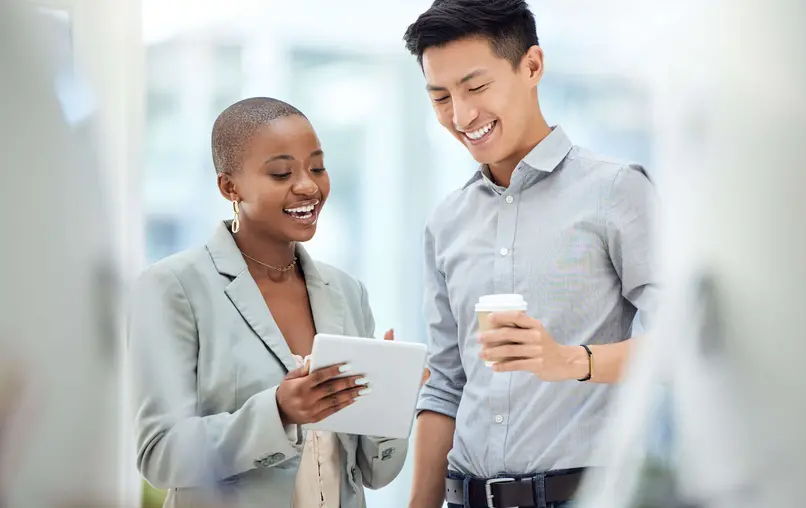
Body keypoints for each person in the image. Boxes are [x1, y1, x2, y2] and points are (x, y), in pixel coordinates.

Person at [401, 1, 660, 507]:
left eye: (475, 88)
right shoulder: (447, 220)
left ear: (532, 66)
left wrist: (569, 360)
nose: (461, 116)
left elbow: (681, 345)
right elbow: (446, 383)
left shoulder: (615, 190)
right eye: (440, 97)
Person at [127, 97, 407, 508]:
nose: (309, 185)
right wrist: (279, 411)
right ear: (230, 187)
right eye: (281, 173)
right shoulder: (172, 287)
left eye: (317, 167)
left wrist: (390, 399)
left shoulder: (347, 290)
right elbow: (159, 453)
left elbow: (377, 473)